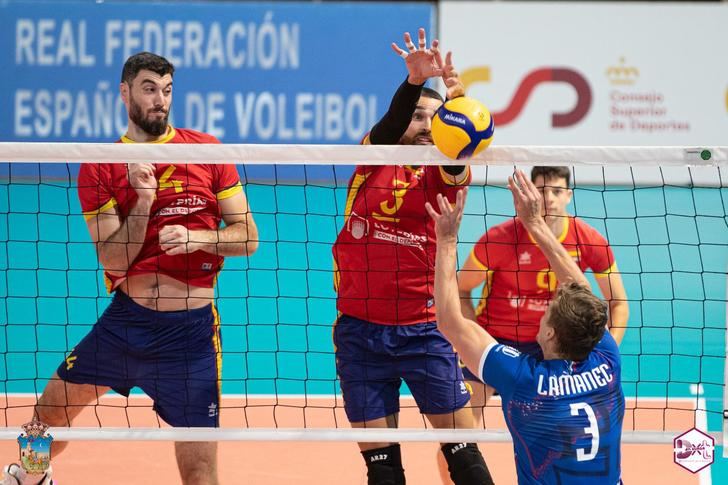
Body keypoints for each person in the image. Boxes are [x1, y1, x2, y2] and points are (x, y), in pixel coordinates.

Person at [1, 52, 258, 485]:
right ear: (125, 93)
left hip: (190, 336)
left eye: (167, 90)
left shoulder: (207, 149)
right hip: (126, 323)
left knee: (199, 472)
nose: (161, 99)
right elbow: (113, 258)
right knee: (43, 418)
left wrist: (199, 238)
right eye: (149, 88)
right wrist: (141, 202)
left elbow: (247, 237)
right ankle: (30, 476)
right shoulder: (101, 163)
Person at [332, 28, 493, 485]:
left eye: (436, 118)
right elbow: (388, 127)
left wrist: (458, 102)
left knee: (465, 459)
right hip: (361, 335)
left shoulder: (446, 176)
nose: (427, 125)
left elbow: (459, 152)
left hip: (425, 332)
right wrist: (414, 82)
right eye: (419, 117)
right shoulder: (372, 162)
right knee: (383, 475)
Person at [426, 171, 625, 484]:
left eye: (547, 312)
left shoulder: (523, 378)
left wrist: (447, 242)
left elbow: (448, 321)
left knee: (458, 442)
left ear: (547, 332)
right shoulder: (608, 358)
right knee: (460, 427)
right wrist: (536, 224)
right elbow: (583, 293)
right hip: (504, 335)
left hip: (513, 356)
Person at [457, 166, 629, 425]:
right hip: (494, 340)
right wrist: (469, 337)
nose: (548, 198)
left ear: (568, 196)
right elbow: (460, 289)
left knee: (558, 427)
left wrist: (606, 352)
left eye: (557, 191)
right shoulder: (500, 239)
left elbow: (618, 303)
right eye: (541, 190)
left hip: (553, 347)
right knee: (460, 433)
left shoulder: (589, 240)